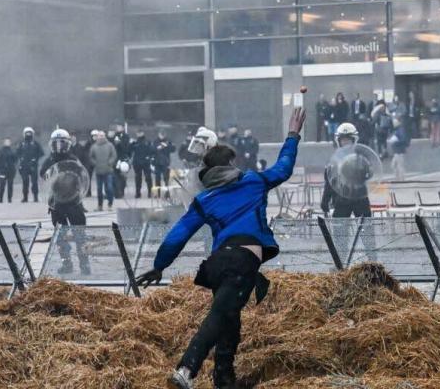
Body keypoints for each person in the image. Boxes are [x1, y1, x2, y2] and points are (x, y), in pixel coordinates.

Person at [135, 108, 307, 389]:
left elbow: (178, 234)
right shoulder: (253, 181)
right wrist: (292, 136)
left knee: (229, 320)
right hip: (242, 262)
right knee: (218, 316)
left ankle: (224, 380)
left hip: (217, 263)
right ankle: (186, 369)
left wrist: (160, 265)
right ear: (228, 163)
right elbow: (284, 167)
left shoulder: (205, 199)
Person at [40, 129, 89, 275]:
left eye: (62, 143)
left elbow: (82, 175)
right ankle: (67, 264)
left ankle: (84, 265)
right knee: (60, 237)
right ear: (51, 145)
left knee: (80, 236)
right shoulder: (49, 161)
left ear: (68, 144)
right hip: (57, 203)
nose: (59, 147)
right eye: (56, 144)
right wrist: (53, 172)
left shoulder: (73, 159)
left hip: (74, 202)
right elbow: (43, 175)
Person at [321, 123, 371, 218]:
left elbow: (369, 174)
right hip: (341, 198)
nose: (345, 143)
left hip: (360, 197)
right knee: (339, 229)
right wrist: (325, 200)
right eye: (343, 140)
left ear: (354, 140)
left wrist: (363, 169)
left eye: (348, 140)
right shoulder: (334, 160)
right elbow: (329, 182)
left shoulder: (360, 158)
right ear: (338, 141)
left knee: (366, 227)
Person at [89, 130, 117, 211]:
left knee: (109, 188)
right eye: (99, 135)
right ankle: (100, 205)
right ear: (97, 137)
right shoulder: (94, 146)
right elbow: (91, 157)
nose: (101, 137)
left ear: (105, 136)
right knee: (99, 189)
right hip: (98, 171)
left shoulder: (110, 145)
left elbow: (114, 155)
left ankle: (110, 204)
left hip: (108, 171)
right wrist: (95, 163)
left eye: (102, 135)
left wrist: (110, 162)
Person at [17, 126, 44, 203]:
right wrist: (21, 159)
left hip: (33, 165)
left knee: (34, 182)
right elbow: (17, 153)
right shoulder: (21, 144)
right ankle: (25, 197)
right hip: (24, 165)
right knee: (25, 182)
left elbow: (41, 153)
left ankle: (35, 197)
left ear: (32, 134)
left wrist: (35, 158)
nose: (28, 134)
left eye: (30, 133)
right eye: (27, 133)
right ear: (24, 134)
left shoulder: (35, 144)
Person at [130, 130, 154, 199]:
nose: (139, 134)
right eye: (138, 133)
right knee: (138, 178)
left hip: (146, 162)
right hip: (137, 162)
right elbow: (130, 150)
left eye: (140, 133)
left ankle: (150, 192)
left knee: (148, 178)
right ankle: (138, 193)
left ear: (143, 133)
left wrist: (149, 157)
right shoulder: (135, 142)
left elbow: (152, 150)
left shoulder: (147, 141)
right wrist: (130, 144)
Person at [0, 138, 18, 203]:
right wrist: (0, 168)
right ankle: (0, 198)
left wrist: (13, 166)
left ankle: (9, 198)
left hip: (11, 171)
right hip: (3, 171)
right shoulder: (0, 151)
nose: (7, 143)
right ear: (3, 142)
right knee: (2, 185)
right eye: (6, 142)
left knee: (10, 185)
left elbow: (15, 159)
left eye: (8, 142)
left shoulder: (12, 151)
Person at [112, 125, 130, 199]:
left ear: (122, 128)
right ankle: (116, 192)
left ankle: (121, 191)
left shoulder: (126, 136)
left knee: (122, 177)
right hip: (115, 159)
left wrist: (120, 143)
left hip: (123, 159)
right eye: (117, 127)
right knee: (115, 176)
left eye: (119, 127)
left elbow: (126, 148)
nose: (117, 128)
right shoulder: (114, 136)